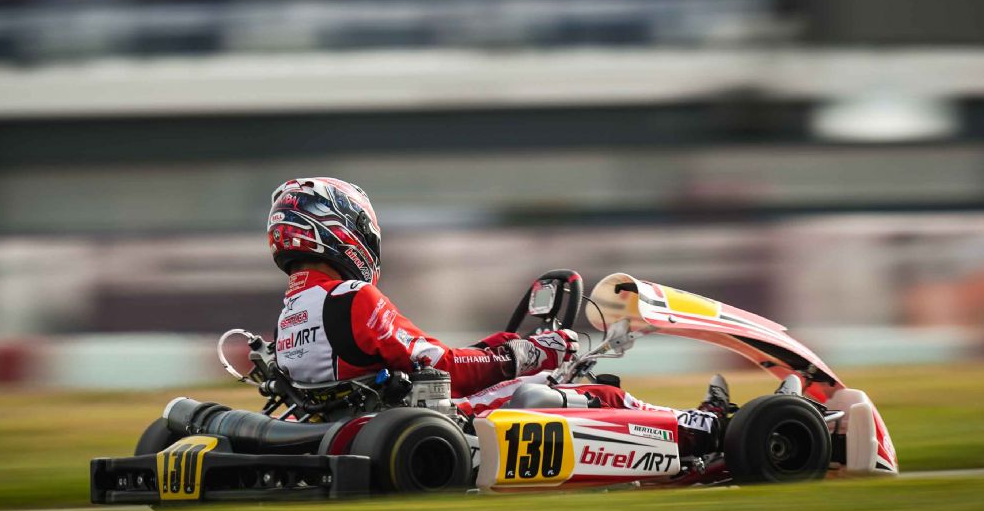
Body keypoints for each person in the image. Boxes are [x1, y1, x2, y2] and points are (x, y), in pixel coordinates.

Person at [265, 177, 726, 456]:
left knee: (534, 382)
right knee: (583, 392)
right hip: (413, 429)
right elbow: (446, 369)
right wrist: (527, 355)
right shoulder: (352, 297)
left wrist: (502, 347)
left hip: (360, 429)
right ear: (339, 229)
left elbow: (425, 365)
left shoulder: (292, 312)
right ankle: (704, 431)